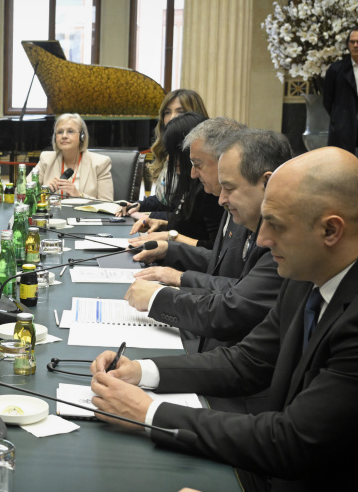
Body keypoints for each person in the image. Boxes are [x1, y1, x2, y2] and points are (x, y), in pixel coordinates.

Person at [90, 147, 358, 491]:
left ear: (331, 231)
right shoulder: (307, 275)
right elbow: (248, 362)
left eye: (275, 225)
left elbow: (293, 442)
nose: (262, 239)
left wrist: (149, 414)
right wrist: (142, 371)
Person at [125, 128, 290, 353]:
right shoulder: (242, 207)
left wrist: (162, 294)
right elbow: (225, 270)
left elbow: (234, 304)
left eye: (198, 164)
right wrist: (171, 252)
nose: (222, 198)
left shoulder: (281, 240)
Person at [132, 117, 249, 281]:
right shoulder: (222, 197)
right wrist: (168, 249)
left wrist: (178, 278)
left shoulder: (246, 211)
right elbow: (219, 261)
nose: (193, 173)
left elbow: (238, 291)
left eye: (197, 164)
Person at [129, 113, 223, 246]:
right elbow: (192, 228)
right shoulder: (193, 183)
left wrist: (171, 236)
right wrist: (162, 224)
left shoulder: (209, 188)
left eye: (173, 153)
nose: (169, 159)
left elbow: (215, 250)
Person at [117, 89, 209, 216]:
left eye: (180, 112)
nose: (172, 118)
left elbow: (185, 215)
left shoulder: (203, 162)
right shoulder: (169, 152)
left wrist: (150, 217)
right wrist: (139, 205)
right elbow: (166, 201)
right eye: (167, 112)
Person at [28, 113, 113, 200]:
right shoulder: (46, 159)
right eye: (60, 132)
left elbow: (107, 203)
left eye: (70, 131)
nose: (64, 136)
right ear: (55, 138)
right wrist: (43, 191)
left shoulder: (100, 163)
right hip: (53, 213)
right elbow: (21, 192)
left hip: (82, 213)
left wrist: (78, 195)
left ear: (82, 137)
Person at [323, 27, 358, 155]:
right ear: (348, 45)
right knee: (344, 164)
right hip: (344, 126)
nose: (355, 45)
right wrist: (338, 118)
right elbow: (327, 99)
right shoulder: (336, 70)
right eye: (352, 42)